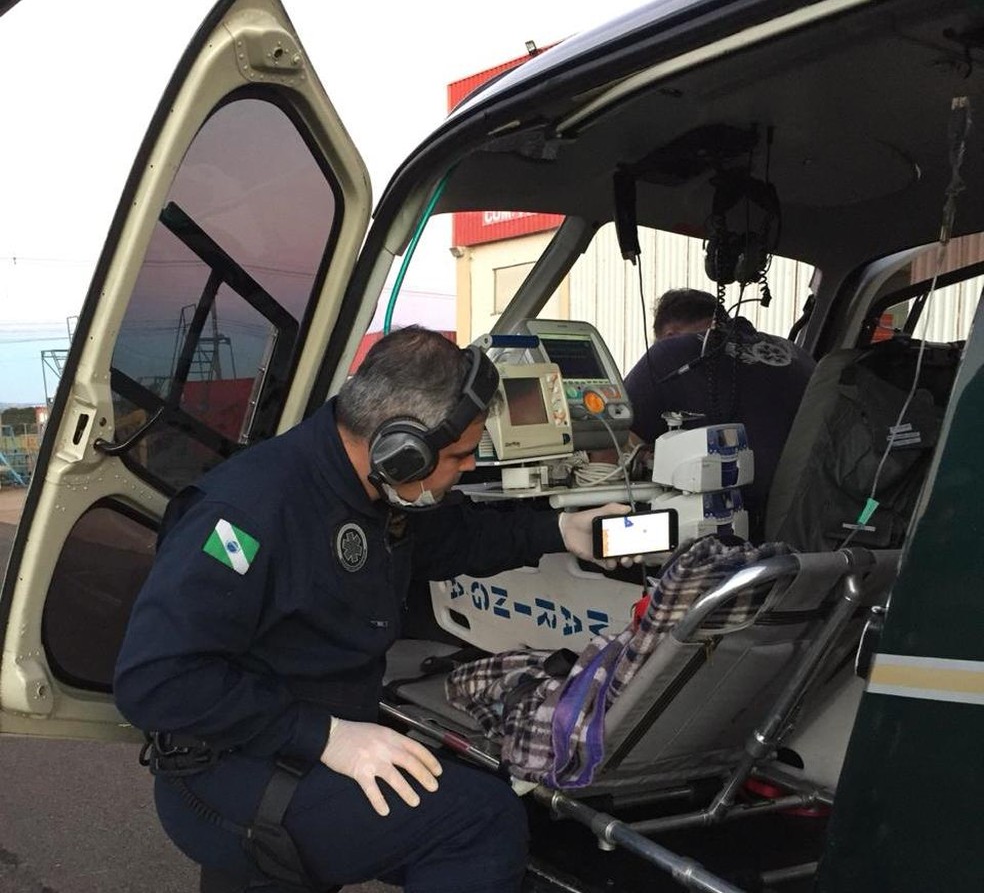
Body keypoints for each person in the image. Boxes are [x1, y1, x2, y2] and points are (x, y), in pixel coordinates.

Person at [114, 325, 626, 893]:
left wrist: (559, 529)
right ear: (402, 447)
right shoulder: (249, 512)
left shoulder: (366, 487)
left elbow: (452, 535)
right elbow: (156, 681)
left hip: (296, 732)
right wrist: (327, 737)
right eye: (458, 456)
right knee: (479, 820)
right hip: (224, 765)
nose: (467, 467)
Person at [623, 288, 816, 540]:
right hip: (813, 529)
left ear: (668, 335)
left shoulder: (670, 353)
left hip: (733, 539)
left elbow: (610, 450)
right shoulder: (796, 354)